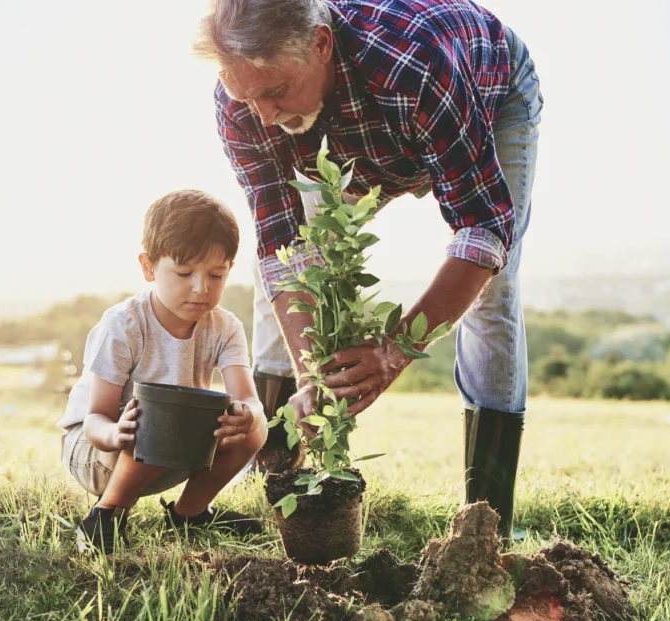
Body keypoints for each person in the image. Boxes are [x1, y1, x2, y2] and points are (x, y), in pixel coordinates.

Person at [195, 0, 543, 539]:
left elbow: (483, 229)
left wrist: (392, 352)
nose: (262, 116)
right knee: (290, 276)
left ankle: (486, 522)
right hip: (361, 135)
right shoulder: (244, 103)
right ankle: (276, 478)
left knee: (493, 292)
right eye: (246, 96)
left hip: (482, 97)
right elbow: (281, 245)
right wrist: (315, 372)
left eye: (275, 92)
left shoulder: (416, 64)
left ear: (321, 45)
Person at [55, 190, 268, 553]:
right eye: (184, 273)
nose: (201, 288)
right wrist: (117, 433)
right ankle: (104, 517)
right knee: (158, 417)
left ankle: (189, 515)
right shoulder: (124, 325)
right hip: (99, 451)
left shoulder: (225, 327)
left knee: (256, 425)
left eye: (216, 275)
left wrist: (248, 415)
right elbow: (94, 421)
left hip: (172, 446)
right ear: (148, 267)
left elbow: (249, 398)